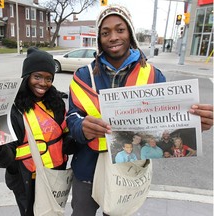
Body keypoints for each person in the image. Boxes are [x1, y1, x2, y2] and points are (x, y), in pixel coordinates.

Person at [66, 4, 213, 216]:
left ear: (130, 34)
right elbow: (71, 116)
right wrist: (81, 127)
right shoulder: (83, 75)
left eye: (120, 29)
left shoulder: (153, 76)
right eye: (105, 33)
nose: (113, 37)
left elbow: (168, 126)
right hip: (87, 168)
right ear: (99, 39)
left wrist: (194, 125)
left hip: (129, 169)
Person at [0, 47, 73, 216]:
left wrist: (77, 138)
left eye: (48, 78)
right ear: (26, 76)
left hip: (56, 176)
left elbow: (65, 137)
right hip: (27, 180)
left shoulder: (56, 102)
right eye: (37, 76)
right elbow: (6, 158)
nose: (43, 83)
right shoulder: (13, 108)